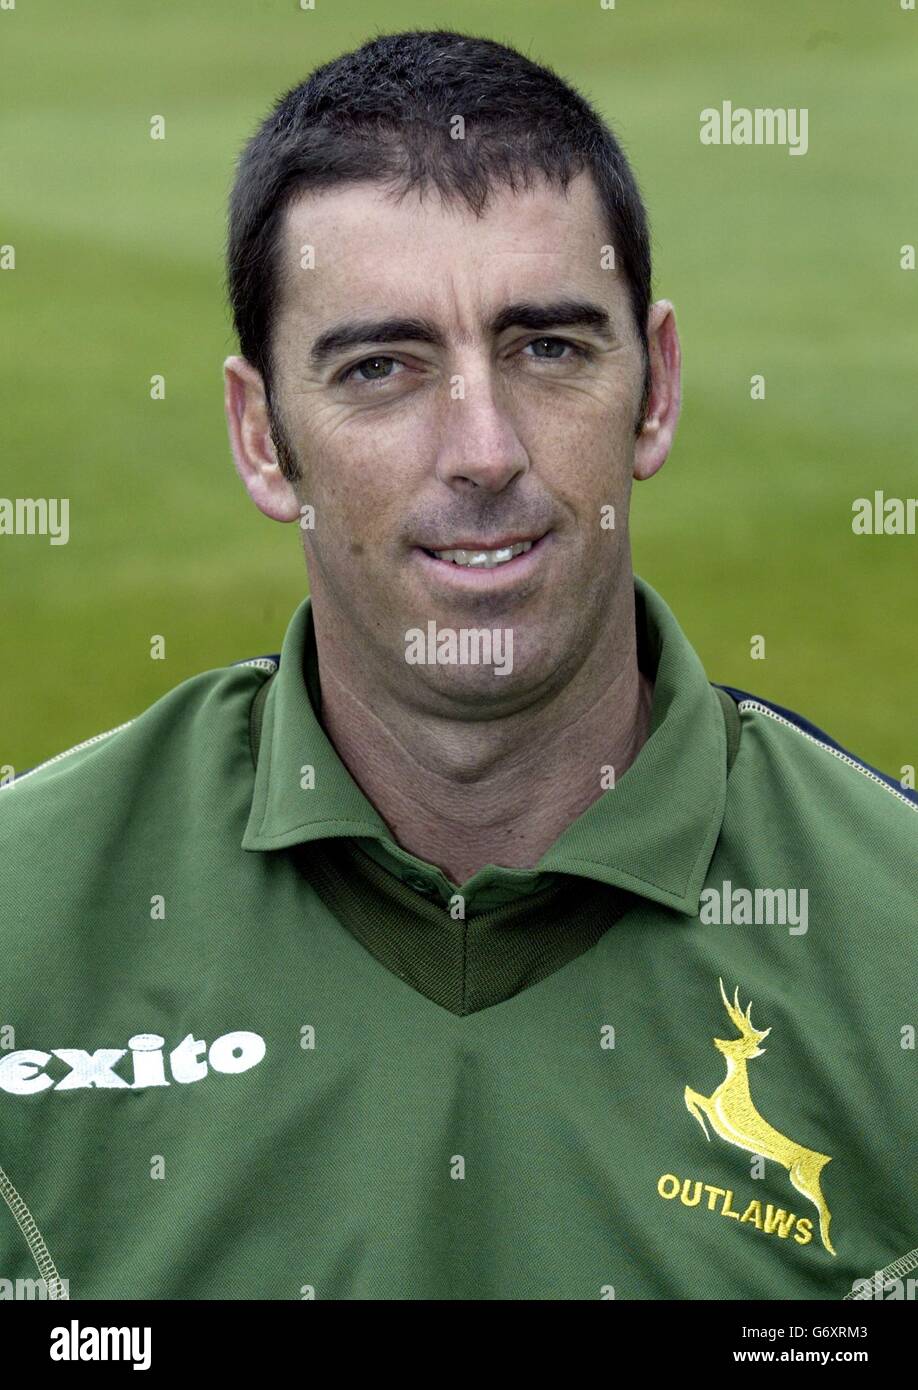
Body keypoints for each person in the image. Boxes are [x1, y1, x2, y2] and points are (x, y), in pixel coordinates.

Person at [1, 29, 914, 1302]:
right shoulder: (19, 926)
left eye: (548, 348)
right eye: (382, 368)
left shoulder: (897, 934)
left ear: (654, 391)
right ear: (262, 439)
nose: (483, 450)